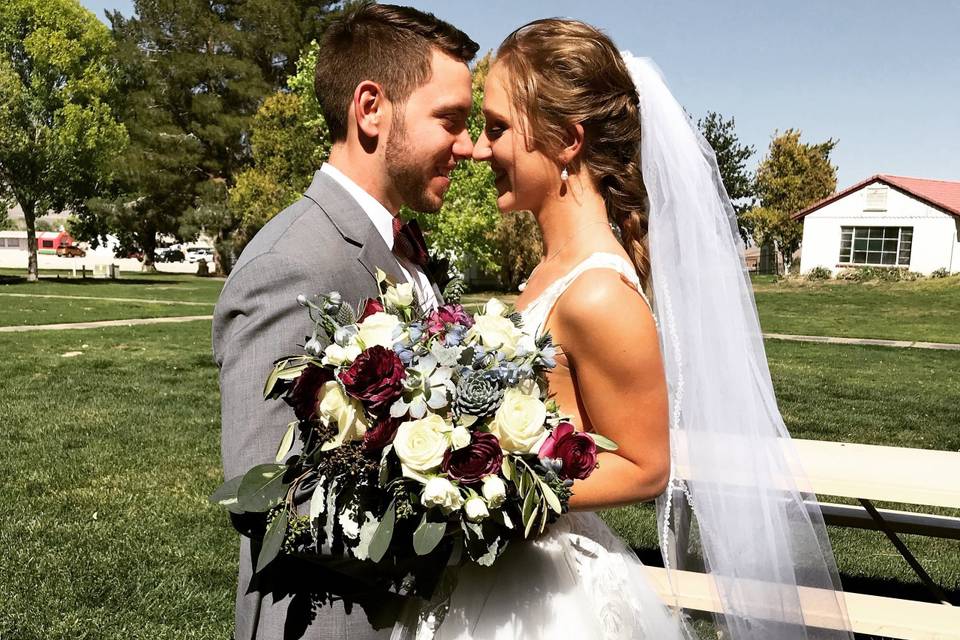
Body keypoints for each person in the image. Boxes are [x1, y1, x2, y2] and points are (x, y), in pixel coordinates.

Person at [393, 19, 853, 640]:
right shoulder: (552, 271)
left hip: (547, 595)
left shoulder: (599, 294)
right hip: (502, 567)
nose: (477, 148)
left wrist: (485, 482)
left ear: (565, 140)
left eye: (498, 128)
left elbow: (645, 464)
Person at [212, 4, 477, 639]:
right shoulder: (291, 265)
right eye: (450, 120)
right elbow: (268, 499)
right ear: (371, 108)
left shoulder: (402, 248)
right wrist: (466, 518)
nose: (466, 146)